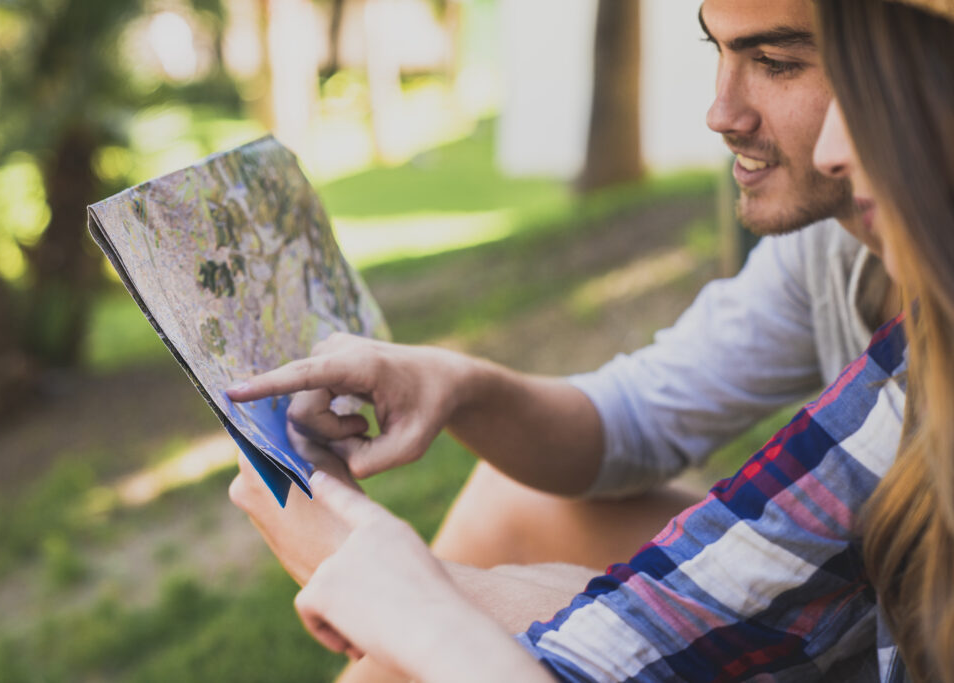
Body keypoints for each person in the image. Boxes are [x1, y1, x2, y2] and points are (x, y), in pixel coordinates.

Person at [235, 0, 954, 679]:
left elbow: (637, 637)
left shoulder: (918, 360)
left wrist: (360, 560)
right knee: (509, 509)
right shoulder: (836, 259)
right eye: (718, 49)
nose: (719, 112)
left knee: (434, 642)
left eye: (776, 60)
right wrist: (455, 385)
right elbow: (641, 417)